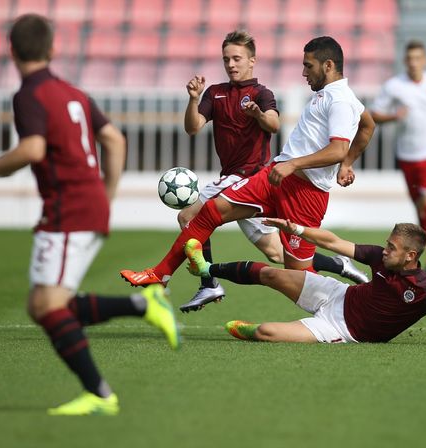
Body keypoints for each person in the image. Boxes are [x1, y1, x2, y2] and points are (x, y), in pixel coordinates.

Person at [0, 14, 180, 416]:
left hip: (68, 209)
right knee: (46, 304)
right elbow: (114, 139)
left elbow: (32, 150)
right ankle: (143, 307)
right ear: (53, 49)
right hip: (82, 206)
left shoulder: (29, 95)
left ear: (11, 51)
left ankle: (101, 394)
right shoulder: (73, 93)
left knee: (48, 307)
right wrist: (106, 193)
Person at [121, 36, 376, 304]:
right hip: (275, 177)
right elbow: (368, 125)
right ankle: (161, 275)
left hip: (304, 193)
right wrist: (346, 164)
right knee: (208, 212)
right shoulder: (330, 95)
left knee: (298, 275)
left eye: (308, 66)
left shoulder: (340, 101)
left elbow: (338, 148)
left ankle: (353, 305)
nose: (303, 72)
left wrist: (303, 163)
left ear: (328, 65)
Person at [182, 222, 426, 346]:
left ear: (411, 257)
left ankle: (250, 330)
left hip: (340, 328)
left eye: (392, 248)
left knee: (266, 333)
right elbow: (336, 242)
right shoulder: (379, 258)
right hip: (339, 294)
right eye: (386, 244)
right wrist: (298, 230)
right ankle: (208, 267)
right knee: (274, 273)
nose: (384, 251)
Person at [370, 40, 426, 278]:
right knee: (421, 210)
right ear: (404, 61)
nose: (414, 63)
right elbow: (375, 113)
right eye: (410, 58)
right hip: (408, 154)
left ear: (425, 60)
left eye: (418, 58)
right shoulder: (394, 86)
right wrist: (394, 116)